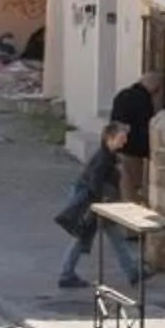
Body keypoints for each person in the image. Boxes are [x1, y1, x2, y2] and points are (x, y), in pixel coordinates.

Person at [55, 124, 142, 291]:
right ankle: (66, 274)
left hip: (100, 203)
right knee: (82, 237)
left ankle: (133, 272)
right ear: (109, 138)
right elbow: (94, 183)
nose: (124, 142)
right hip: (93, 203)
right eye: (121, 138)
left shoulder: (109, 156)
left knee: (113, 237)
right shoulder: (103, 158)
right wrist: (102, 204)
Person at [109, 76, 157, 206]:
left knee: (124, 184)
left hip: (118, 145)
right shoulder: (142, 99)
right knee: (133, 188)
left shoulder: (122, 94)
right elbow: (145, 126)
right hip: (134, 150)